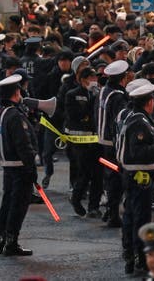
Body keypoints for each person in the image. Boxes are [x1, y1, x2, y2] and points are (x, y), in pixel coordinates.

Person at [118, 81, 154, 274]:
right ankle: (139, 257)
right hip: (140, 177)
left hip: (135, 176)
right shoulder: (139, 122)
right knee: (139, 218)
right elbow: (137, 151)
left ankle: (131, 255)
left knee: (131, 215)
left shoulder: (134, 117)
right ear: (149, 102)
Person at [0, 74, 37, 256]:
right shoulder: (14, 116)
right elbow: (23, 145)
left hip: (7, 165)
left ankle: (2, 239)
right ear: (16, 92)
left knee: (7, 202)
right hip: (19, 166)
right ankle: (12, 242)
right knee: (18, 205)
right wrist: (31, 169)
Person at [65, 67, 102, 218]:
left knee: (98, 175)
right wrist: (91, 102)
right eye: (90, 78)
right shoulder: (72, 95)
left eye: (95, 78)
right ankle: (76, 198)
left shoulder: (99, 94)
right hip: (79, 142)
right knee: (85, 173)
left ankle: (94, 206)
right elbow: (75, 116)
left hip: (96, 140)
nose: (94, 81)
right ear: (82, 80)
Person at [96, 59, 129, 228]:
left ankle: (110, 210)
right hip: (113, 143)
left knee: (109, 177)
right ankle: (114, 214)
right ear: (122, 78)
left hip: (102, 140)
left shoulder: (104, 91)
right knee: (117, 179)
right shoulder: (118, 96)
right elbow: (119, 121)